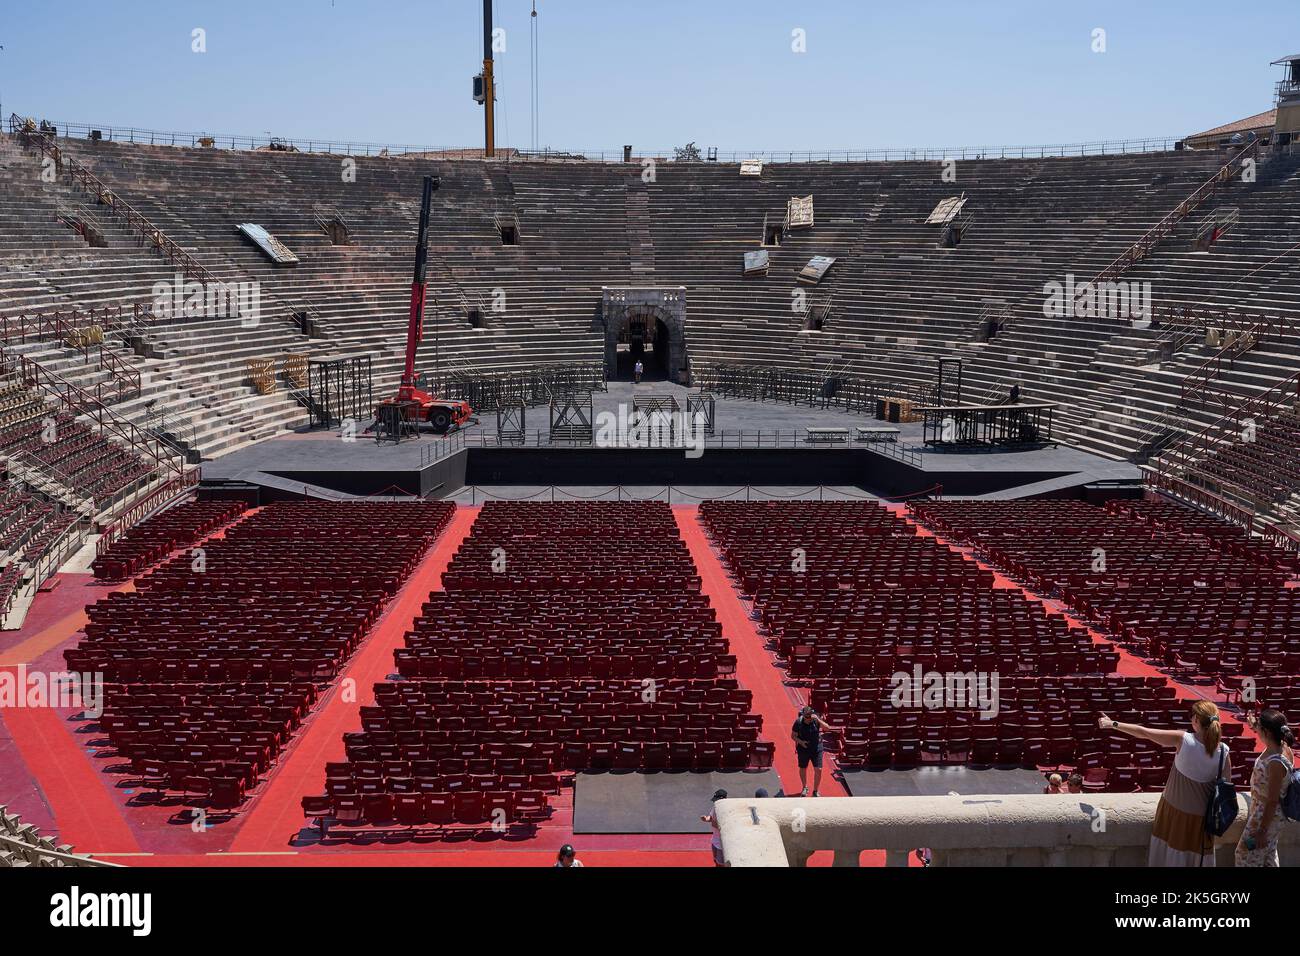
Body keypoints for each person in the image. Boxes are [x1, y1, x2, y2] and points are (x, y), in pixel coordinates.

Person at [1099, 700, 1231, 866]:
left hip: (1173, 814)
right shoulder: (1224, 752)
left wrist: (1113, 724)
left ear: (1196, 720)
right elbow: (1226, 788)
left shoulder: (1184, 740)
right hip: (1201, 823)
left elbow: (1144, 732)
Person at [1235, 709, 1294, 867]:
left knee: (1245, 855)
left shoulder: (1275, 763)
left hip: (1264, 816)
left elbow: (1272, 800)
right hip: (1268, 814)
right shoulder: (1283, 745)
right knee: (1268, 854)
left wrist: (1262, 830)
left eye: (1259, 728)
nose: (1256, 730)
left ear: (1267, 732)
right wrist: (1255, 724)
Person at [792, 706, 839, 797]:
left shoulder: (816, 720)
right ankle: (804, 787)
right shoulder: (798, 722)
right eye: (807, 717)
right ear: (803, 715)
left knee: (819, 769)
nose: (809, 719)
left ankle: (815, 790)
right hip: (804, 748)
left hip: (817, 747)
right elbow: (793, 736)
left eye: (810, 716)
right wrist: (801, 742)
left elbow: (827, 728)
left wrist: (818, 719)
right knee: (803, 768)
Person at [701, 788, 727, 866]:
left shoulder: (726, 811)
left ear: (722, 799)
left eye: (716, 800)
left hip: (721, 845)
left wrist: (714, 823)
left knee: (721, 864)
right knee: (715, 861)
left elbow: (723, 826)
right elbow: (710, 817)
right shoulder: (715, 807)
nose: (714, 802)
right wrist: (705, 819)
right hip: (714, 841)